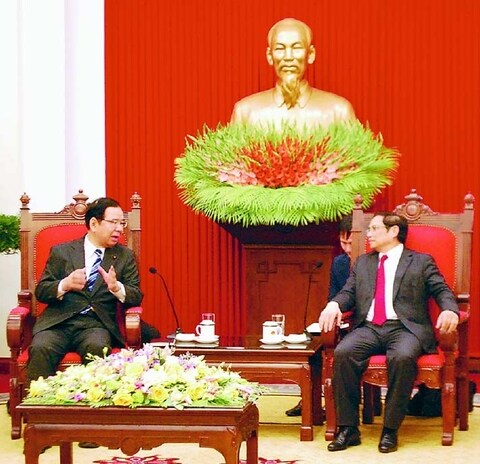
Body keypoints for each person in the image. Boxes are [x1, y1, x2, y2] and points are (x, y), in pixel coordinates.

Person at [318, 212, 459, 453]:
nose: (368, 234)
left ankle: (390, 429)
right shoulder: (363, 262)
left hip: (405, 329)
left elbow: (442, 290)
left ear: (393, 231)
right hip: (369, 328)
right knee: (343, 352)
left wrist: (449, 309)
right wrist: (334, 304)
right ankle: (348, 428)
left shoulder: (421, 261)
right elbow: (348, 293)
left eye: (374, 228)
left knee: (402, 357)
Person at [28, 197, 144, 448]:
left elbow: (136, 295)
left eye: (122, 223)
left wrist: (117, 287)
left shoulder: (124, 256)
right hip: (59, 321)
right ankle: (41, 428)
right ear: (94, 223)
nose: (119, 229)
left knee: (97, 347)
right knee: (41, 347)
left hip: (95, 324)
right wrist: (65, 284)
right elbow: (42, 291)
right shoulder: (62, 251)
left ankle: (92, 427)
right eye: (114, 222)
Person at [230, 18, 356, 129]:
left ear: (310, 54)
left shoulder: (339, 112)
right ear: (269, 56)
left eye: (296, 48)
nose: (288, 57)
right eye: (280, 48)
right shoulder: (245, 112)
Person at [285, 214, 352, 417]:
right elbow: (334, 297)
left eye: (351, 243)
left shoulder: (375, 262)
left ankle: (338, 403)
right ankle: (311, 401)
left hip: (364, 323)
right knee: (313, 344)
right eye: (343, 243)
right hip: (342, 320)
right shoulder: (340, 263)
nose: (347, 249)